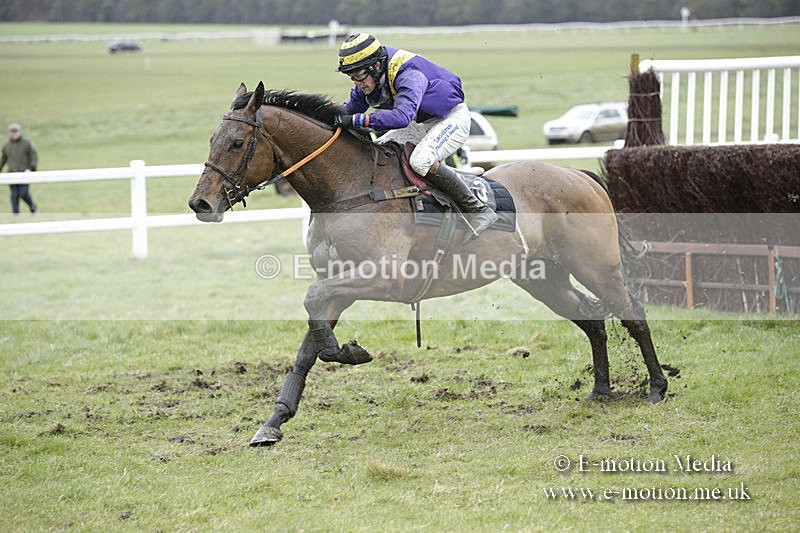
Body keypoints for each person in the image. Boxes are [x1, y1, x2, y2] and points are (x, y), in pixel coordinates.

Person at [335, 33, 497, 242]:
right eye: (351, 77)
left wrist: (359, 121)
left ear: (376, 66)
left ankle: (477, 209)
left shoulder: (408, 73)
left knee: (420, 161)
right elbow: (349, 110)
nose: (357, 83)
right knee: (376, 153)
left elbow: (402, 117)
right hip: (420, 123)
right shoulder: (369, 78)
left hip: (451, 119)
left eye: (358, 75)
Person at [1, 123, 38, 214]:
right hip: (12, 173)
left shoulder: (26, 143)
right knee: (14, 196)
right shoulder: (7, 146)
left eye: (15, 131)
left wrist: (32, 167)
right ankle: (15, 215)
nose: (14, 134)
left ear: (19, 132)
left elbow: (33, 155)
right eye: (12, 132)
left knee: (23, 193)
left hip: (24, 172)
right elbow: (3, 159)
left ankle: (32, 205)